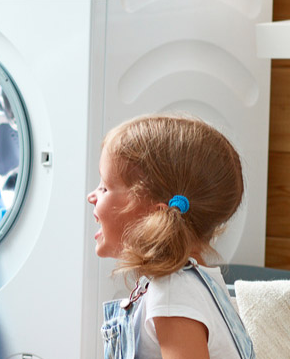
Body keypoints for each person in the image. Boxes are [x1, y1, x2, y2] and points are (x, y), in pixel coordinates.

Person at [87, 114, 256, 359]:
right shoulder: (188, 283)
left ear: (153, 214)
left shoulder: (173, 292)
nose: (91, 196)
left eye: (104, 187)